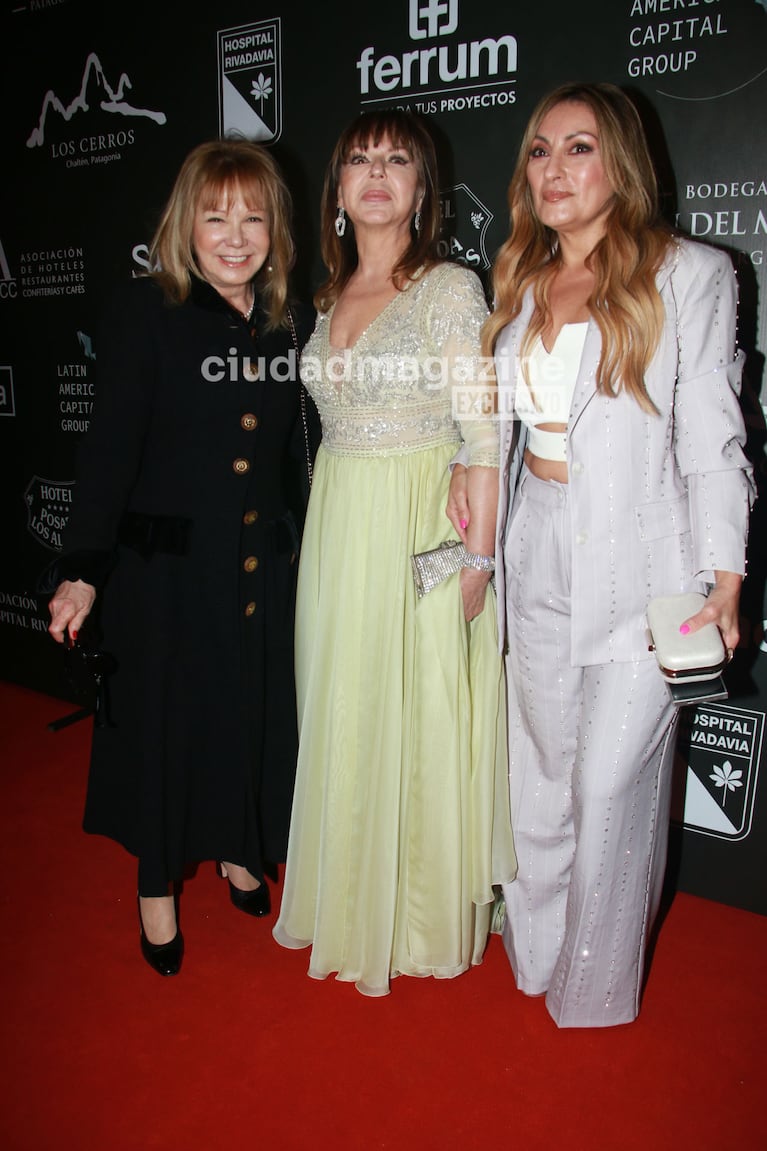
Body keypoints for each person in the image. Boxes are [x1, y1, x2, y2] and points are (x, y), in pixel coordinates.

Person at [449, 81, 755, 1027]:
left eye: (577, 148)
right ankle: (534, 956)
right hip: (536, 544)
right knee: (538, 774)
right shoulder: (517, 279)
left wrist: (726, 575)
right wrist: (476, 539)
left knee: (609, 784)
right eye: (538, 151)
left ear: (619, 160)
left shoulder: (690, 275)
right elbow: (492, 436)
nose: (552, 169)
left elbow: (711, 437)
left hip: (646, 568)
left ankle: (592, 991)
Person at [45, 138, 319, 976]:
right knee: (167, 728)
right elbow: (110, 449)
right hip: (165, 576)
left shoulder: (289, 321)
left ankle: (242, 848)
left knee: (246, 710)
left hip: (256, 564)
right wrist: (83, 566)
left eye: (252, 217)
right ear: (184, 225)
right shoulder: (146, 312)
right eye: (215, 217)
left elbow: (290, 455)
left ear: (275, 227)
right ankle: (155, 889)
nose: (234, 236)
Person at [272, 110, 517, 997]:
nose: (376, 173)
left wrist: (477, 562)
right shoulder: (329, 296)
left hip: (421, 522)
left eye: (397, 160)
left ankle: (413, 918)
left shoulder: (448, 287)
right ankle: (349, 894)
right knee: (349, 707)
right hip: (340, 519)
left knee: (420, 713)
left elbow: (483, 434)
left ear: (422, 190)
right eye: (359, 160)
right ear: (337, 192)